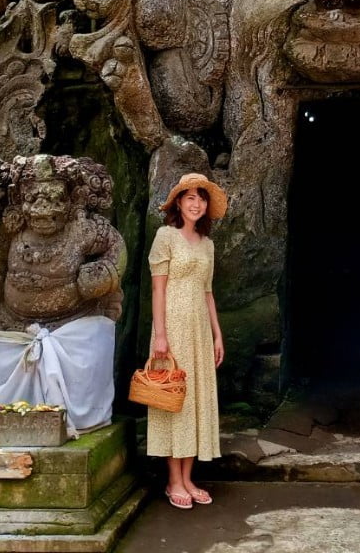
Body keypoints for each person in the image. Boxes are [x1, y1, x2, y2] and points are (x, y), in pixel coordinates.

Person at [147, 172, 226, 510]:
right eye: (190, 197)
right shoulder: (165, 236)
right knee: (172, 398)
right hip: (173, 326)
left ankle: (189, 477)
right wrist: (160, 335)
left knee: (195, 398)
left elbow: (207, 292)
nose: (196, 203)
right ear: (178, 202)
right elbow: (158, 287)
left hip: (198, 328)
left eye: (201, 198)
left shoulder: (207, 245)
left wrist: (217, 334)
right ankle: (173, 480)